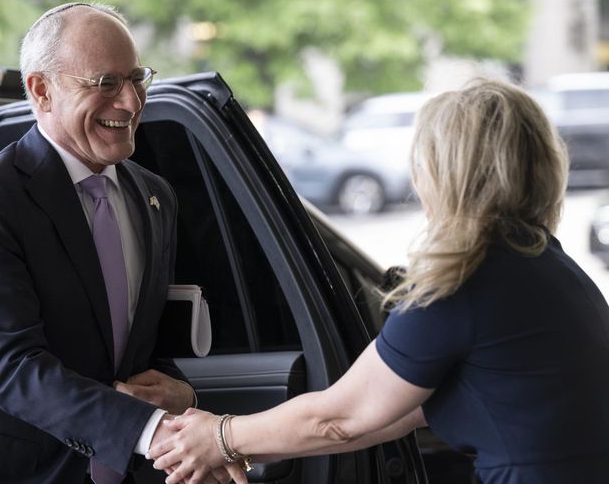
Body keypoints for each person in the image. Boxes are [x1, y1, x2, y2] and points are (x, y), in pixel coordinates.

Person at [149, 79, 609, 483]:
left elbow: (342, 417)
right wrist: (231, 442)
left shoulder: (465, 280)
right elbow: (391, 413)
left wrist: (220, 437)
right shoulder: (547, 267)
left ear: (448, 174)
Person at [0, 2, 240, 484]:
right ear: (42, 91)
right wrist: (161, 434)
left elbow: (132, 350)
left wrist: (180, 397)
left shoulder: (153, 195)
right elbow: (14, 369)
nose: (130, 101)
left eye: (137, 77)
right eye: (106, 83)